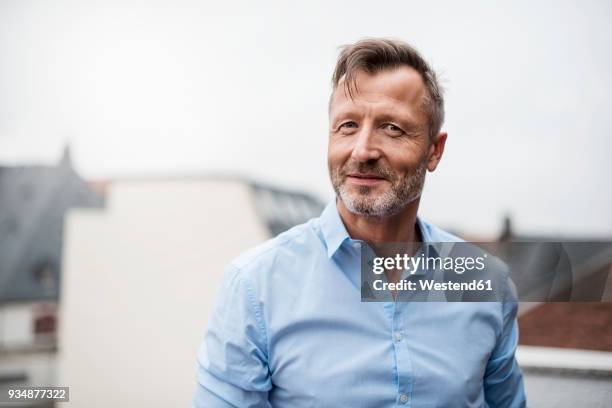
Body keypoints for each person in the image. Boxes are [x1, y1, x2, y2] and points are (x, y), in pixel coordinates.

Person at [193, 38, 527, 407]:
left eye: (393, 128)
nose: (363, 150)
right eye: (348, 126)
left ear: (435, 150)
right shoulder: (255, 287)